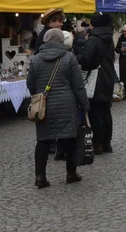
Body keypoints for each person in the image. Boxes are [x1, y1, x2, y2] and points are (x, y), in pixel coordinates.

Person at [27, 28, 88, 188]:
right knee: (69, 139)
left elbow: (30, 84)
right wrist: (85, 104)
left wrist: (38, 96)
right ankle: (71, 173)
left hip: (44, 106)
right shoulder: (69, 57)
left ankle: (40, 176)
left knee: (43, 141)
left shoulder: (36, 59)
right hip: (67, 104)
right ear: (61, 41)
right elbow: (78, 85)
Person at [78, 13, 116, 155]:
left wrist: (77, 58)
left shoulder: (93, 40)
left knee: (95, 113)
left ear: (93, 25)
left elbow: (87, 59)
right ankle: (107, 143)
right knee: (106, 111)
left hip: (95, 80)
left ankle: (98, 143)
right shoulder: (109, 38)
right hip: (107, 77)